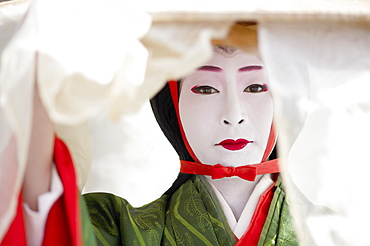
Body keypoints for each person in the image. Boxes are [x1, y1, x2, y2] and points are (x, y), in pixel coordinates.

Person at [1, 46, 298, 246]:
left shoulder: (334, 231)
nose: (234, 115)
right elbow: (44, 227)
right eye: (206, 88)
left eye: (256, 87)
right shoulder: (116, 228)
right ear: (172, 103)